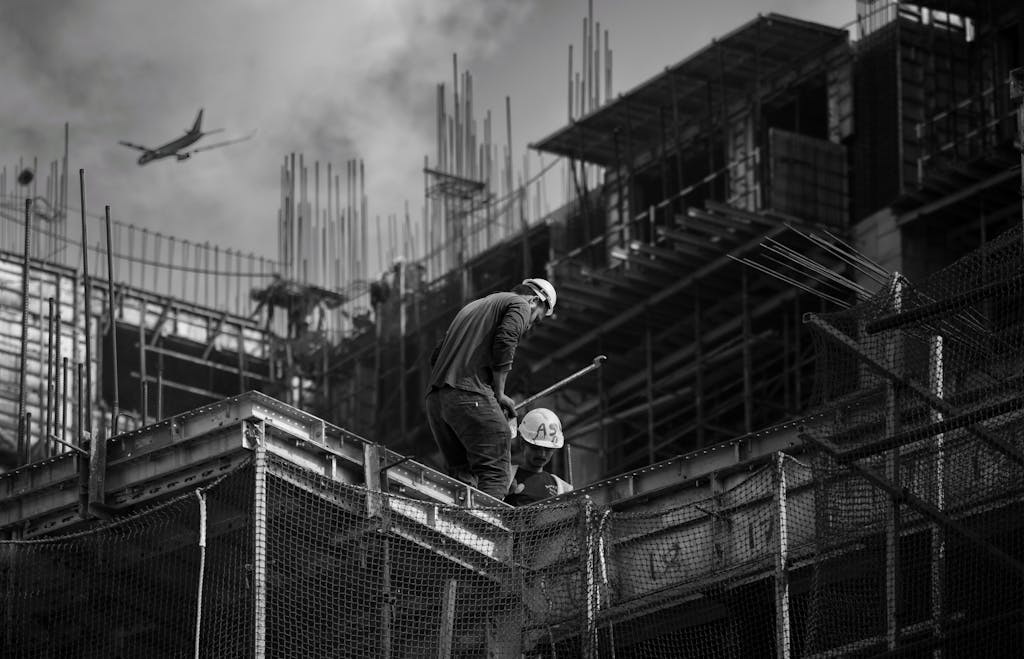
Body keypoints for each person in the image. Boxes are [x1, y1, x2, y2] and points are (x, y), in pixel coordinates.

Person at [425, 278, 557, 500]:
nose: (531, 326)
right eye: (536, 320)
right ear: (535, 300)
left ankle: (462, 526)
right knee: (496, 469)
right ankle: (487, 530)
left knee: (464, 474)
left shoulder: (471, 308)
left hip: (436, 401)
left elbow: (436, 356)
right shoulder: (521, 304)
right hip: (467, 392)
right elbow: (506, 340)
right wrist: (499, 394)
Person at [505, 408, 573, 506]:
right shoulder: (506, 477)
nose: (542, 454)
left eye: (548, 449)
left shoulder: (561, 488)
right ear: (523, 444)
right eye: (535, 448)